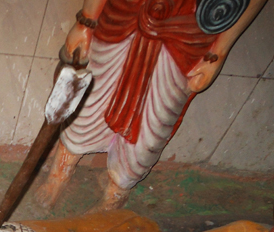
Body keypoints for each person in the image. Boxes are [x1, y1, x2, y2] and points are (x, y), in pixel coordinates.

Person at [36, 0, 268, 213]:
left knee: (153, 127)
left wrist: (218, 52)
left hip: (188, 35)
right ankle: (60, 173)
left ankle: (115, 193)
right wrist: (86, 20)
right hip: (124, 15)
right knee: (89, 103)